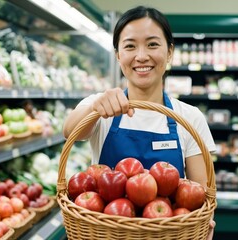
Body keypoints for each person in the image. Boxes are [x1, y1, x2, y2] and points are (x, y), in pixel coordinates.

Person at [63, 5, 216, 239]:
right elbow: (69, 131)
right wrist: (95, 108)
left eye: (153, 44)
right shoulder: (102, 106)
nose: (141, 56)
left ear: (170, 52)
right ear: (118, 55)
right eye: (130, 46)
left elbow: (201, 197)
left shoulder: (189, 116)